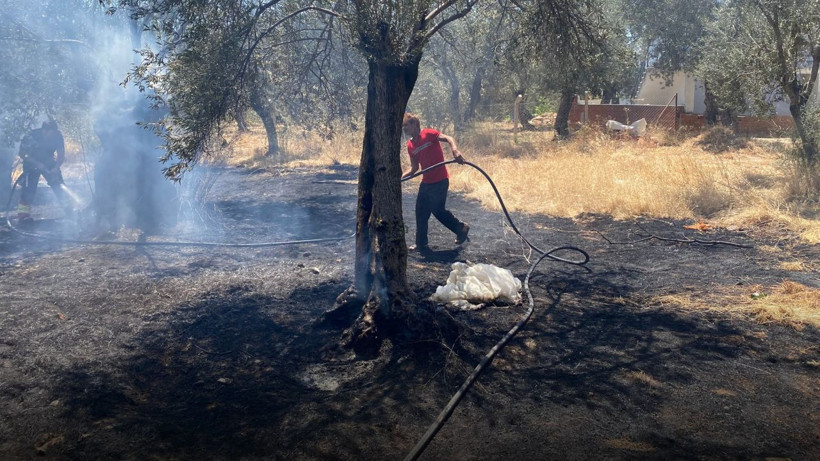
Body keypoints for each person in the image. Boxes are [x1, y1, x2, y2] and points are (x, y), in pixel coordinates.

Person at [401, 113, 470, 253]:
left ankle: (461, 227)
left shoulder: (428, 134)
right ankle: (421, 244)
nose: (405, 128)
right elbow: (414, 168)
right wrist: (401, 177)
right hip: (426, 182)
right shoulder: (410, 145)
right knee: (421, 212)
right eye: (403, 126)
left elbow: (449, 138)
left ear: (415, 124)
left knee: (437, 210)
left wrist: (455, 151)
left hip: (440, 180)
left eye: (406, 125)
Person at [16, 120, 70, 223]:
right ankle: (23, 215)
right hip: (30, 164)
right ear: (43, 130)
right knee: (28, 190)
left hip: (49, 162)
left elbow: (61, 154)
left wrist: (56, 168)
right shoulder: (31, 136)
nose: (50, 136)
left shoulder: (58, 136)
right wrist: (37, 163)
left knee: (59, 185)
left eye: (52, 133)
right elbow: (22, 153)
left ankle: (69, 210)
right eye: (48, 132)